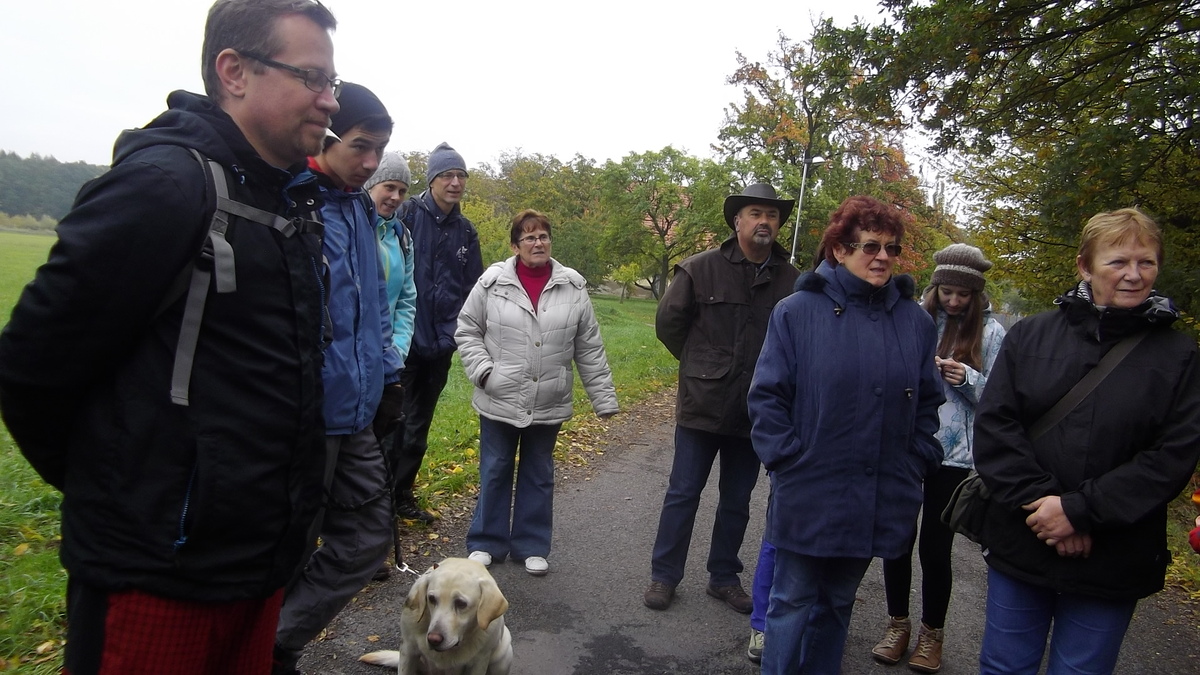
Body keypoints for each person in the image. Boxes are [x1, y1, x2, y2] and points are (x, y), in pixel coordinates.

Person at [0, 1, 339, 672]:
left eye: (332, 80)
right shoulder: (166, 187)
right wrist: (132, 498)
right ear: (234, 72)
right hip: (156, 580)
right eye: (311, 77)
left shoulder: (288, 203)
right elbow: (31, 367)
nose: (330, 100)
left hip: (257, 567)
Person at [974, 207, 1200, 674]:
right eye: (1118, 262)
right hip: (1025, 537)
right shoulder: (1032, 335)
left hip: (1114, 552)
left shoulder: (1178, 354)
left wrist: (1080, 511)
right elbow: (996, 428)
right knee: (1004, 667)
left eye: (1146, 262)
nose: (1134, 275)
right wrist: (1047, 507)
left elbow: (1173, 456)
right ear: (1085, 266)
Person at [747, 195, 944, 674]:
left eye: (892, 248)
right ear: (839, 249)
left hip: (877, 491)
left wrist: (915, 459)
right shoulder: (797, 312)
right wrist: (788, 461)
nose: (882, 257)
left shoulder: (915, 322)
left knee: (837, 602)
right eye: (870, 246)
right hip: (809, 487)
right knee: (791, 599)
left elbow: (928, 402)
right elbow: (767, 397)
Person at [272, 82, 406, 675]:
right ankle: (263, 654)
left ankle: (276, 643)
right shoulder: (293, 201)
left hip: (357, 411)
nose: (372, 162)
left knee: (367, 540)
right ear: (325, 138)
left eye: (380, 149)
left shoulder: (359, 207)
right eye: (361, 146)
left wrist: (389, 376)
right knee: (289, 548)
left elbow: (375, 302)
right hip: (305, 415)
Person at [643, 183, 800, 614]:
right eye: (755, 213)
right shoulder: (700, 268)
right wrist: (702, 364)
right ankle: (664, 575)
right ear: (737, 221)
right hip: (703, 404)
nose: (764, 221)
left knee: (737, 500)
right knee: (683, 493)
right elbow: (669, 324)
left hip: (756, 410)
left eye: (772, 215)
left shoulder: (792, 281)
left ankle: (724, 577)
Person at [455, 209, 619, 576]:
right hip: (499, 396)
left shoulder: (572, 287)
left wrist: (603, 398)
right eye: (529, 237)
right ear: (515, 245)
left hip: (549, 398)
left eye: (543, 236)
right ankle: (486, 542)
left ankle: (531, 545)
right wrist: (484, 373)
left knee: (538, 472)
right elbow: (467, 330)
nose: (538, 242)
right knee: (495, 468)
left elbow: (588, 346)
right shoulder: (492, 283)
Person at [871, 243, 1006, 673]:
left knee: (935, 546)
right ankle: (897, 624)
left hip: (956, 456)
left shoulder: (992, 333)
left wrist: (967, 378)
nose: (954, 301)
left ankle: (932, 634)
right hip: (908, 444)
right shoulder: (916, 319)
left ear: (976, 294)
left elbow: (1001, 399)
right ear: (935, 288)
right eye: (947, 291)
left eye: (963, 294)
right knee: (896, 538)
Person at [391, 142, 484, 523]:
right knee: (391, 423)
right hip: (401, 343)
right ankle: (375, 505)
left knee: (419, 425)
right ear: (431, 180)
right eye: (447, 175)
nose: (455, 182)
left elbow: (473, 289)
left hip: (442, 344)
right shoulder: (407, 215)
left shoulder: (466, 231)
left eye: (461, 175)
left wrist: (455, 335)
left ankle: (402, 496)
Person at [364, 150, 418, 581]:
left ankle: (369, 548)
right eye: (389, 187)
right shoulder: (353, 227)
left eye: (401, 190)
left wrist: (397, 351)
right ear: (371, 186)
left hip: (387, 364)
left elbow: (407, 298)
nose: (396, 196)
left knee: (378, 456)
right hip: (351, 361)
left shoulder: (401, 235)